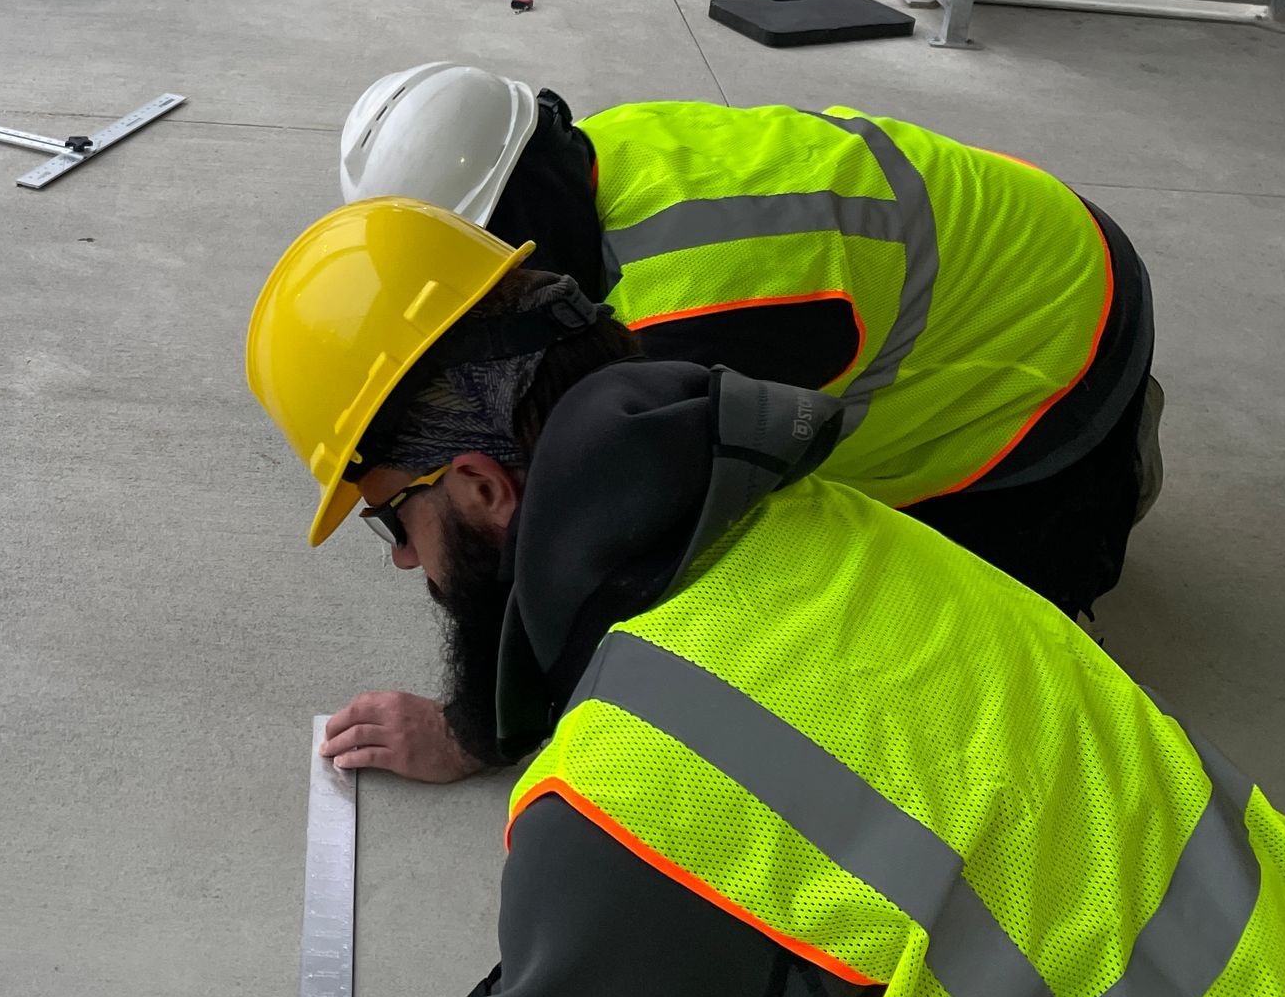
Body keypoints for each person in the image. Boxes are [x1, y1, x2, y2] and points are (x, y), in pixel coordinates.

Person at [230, 200, 1285, 997]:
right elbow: (737, 894)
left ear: (479, 488)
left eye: (387, 520)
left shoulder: (649, 780)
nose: (408, 562)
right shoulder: (824, 537)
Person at [325, 65, 1161, 783]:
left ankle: (1100, 476)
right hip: (1019, 234)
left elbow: (587, 553)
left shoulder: (689, 313)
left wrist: (472, 732)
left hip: (1065, 343)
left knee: (947, 699)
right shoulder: (589, 166)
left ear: (515, 232)